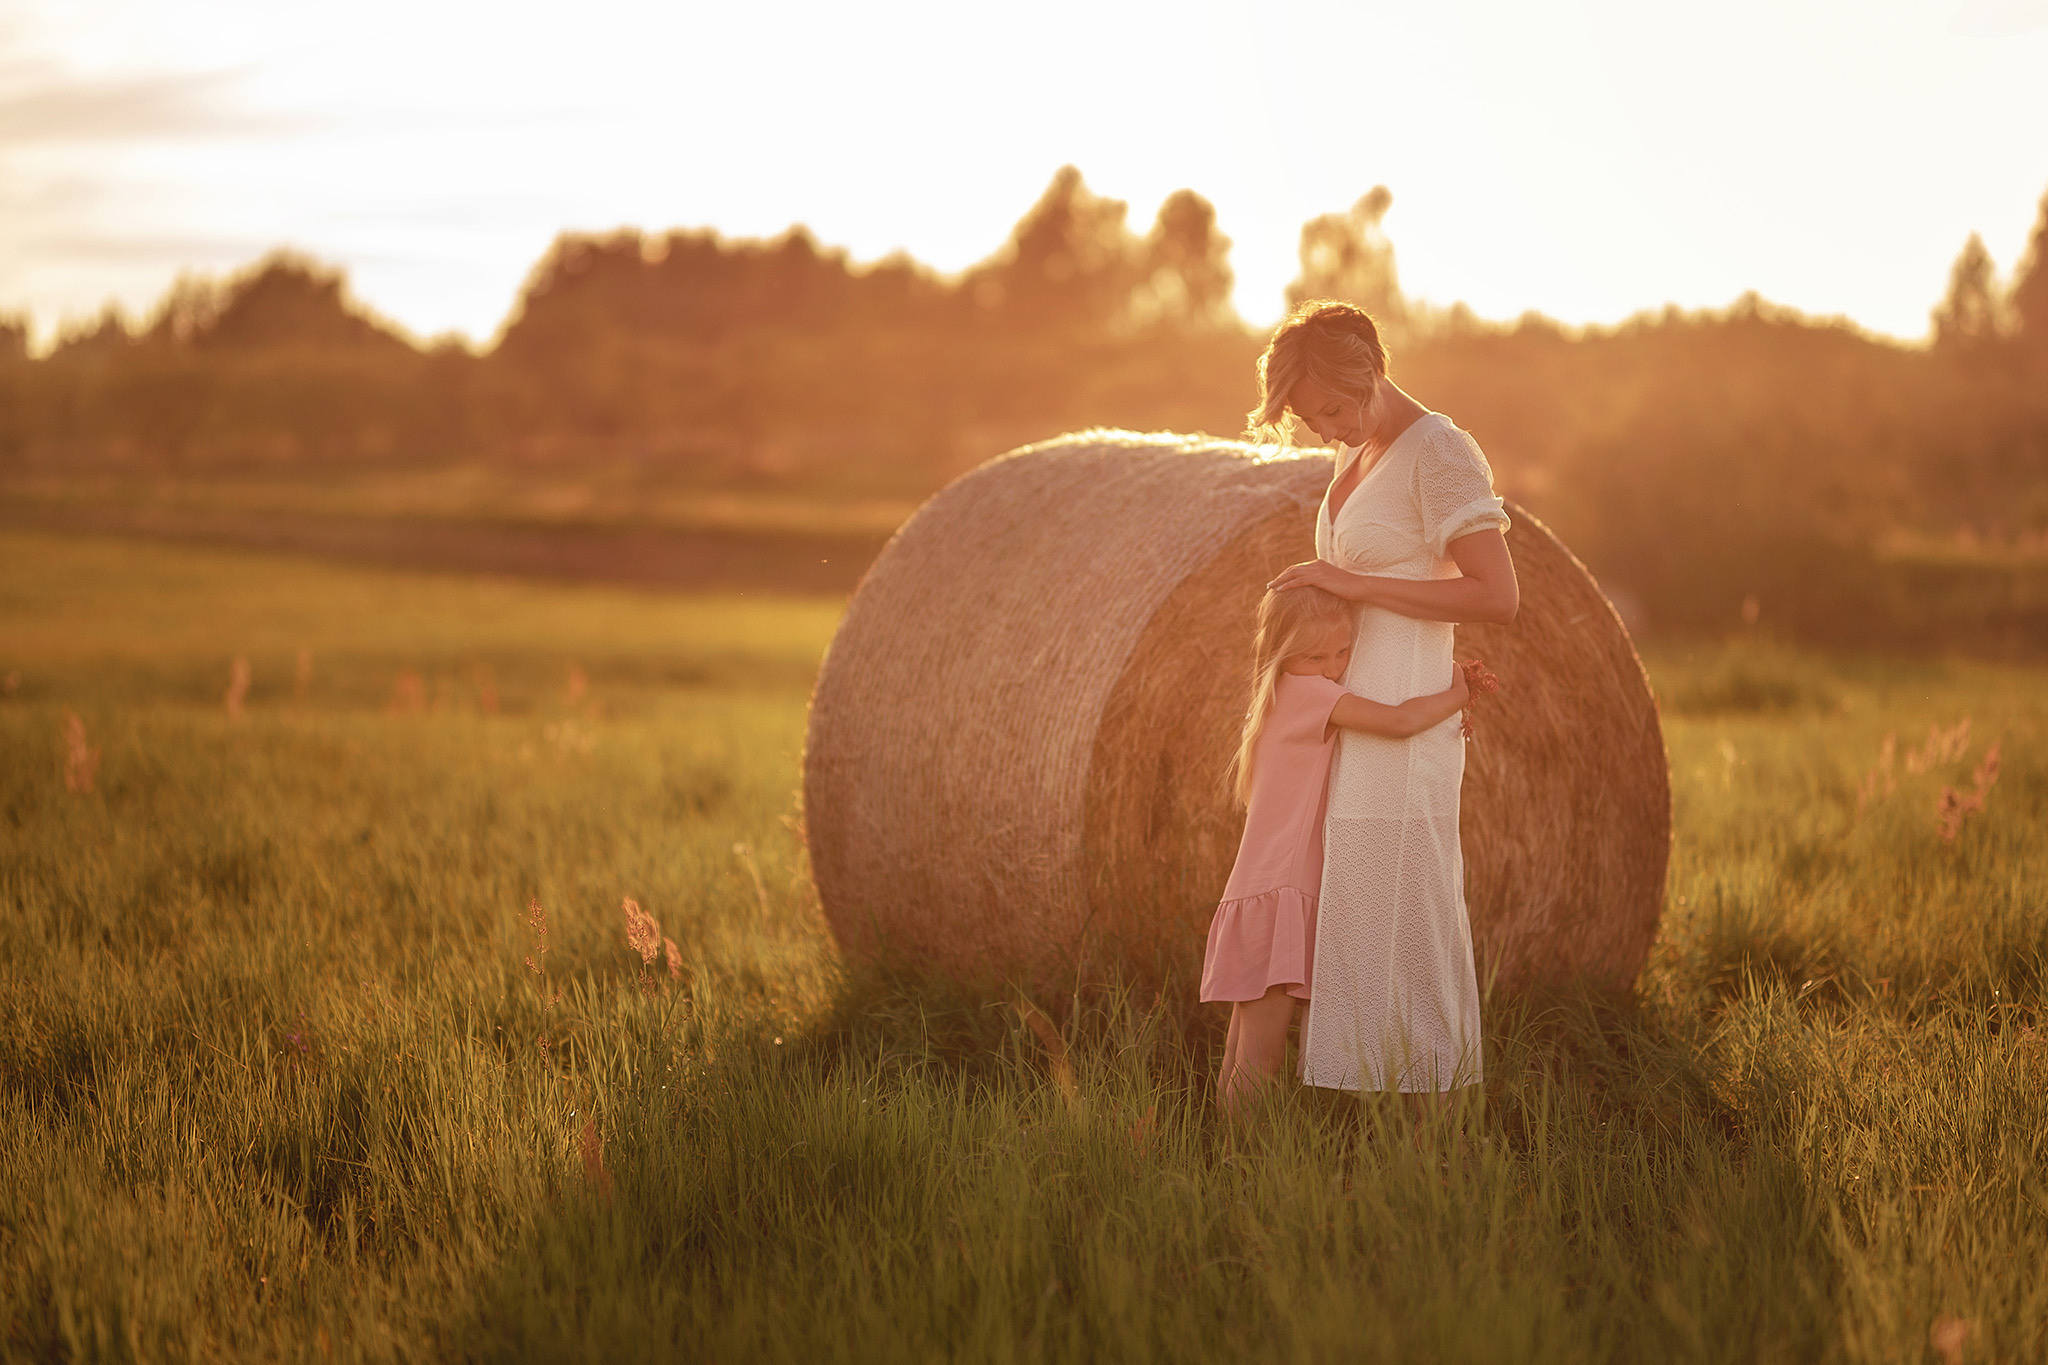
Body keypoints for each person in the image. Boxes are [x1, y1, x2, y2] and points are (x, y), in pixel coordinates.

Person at [1251, 299, 1519, 1107]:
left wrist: (1349, 581)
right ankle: (1375, 1117)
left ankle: (1433, 1119)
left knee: (1409, 917)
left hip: (1404, 731)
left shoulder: (1437, 449)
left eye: (1332, 406)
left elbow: (1497, 595)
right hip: (1355, 721)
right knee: (1363, 921)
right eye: (1308, 417)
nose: (1324, 426)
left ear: (1371, 362)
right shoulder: (1354, 454)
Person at [1203, 583, 1471, 1115]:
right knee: (1260, 1058)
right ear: (1281, 651)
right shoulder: (1312, 695)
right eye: (1315, 655)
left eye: (1343, 652)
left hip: (1262, 888)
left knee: (1242, 1050)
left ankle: (1225, 1162)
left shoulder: (1282, 692)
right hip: (1281, 893)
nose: (1332, 667)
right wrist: (1456, 694)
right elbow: (1398, 722)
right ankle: (1241, 1167)